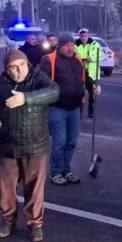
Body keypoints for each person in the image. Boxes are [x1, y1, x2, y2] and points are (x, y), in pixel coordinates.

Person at [0, 49, 60, 242]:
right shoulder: (0, 84)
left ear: (27, 64)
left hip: (35, 145)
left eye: (21, 65)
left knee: (33, 189)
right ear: (6, 69)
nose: (18, 70)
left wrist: (25, 98)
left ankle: (35, 225)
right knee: (6, 188)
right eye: (13, 67)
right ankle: (8, 221)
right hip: (9, 146)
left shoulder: (38, 78)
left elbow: (53, 92)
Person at [39, 34, 97, 186]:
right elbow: (39, 81)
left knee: (71, 142)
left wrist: (93, 87)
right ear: (59, 46)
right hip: (57, 108)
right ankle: (56, 172)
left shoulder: (78, 61)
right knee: (59, 142)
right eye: (66, 45)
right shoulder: (49, 60)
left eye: (72, 44)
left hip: (75, 108)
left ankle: (66, 170)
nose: (70, 47)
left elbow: (86, 79)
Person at [74, 28, 103, 119]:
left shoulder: (95, 44)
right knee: (80, 93)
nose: (83, 37)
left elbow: (101, 56)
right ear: (79, 36)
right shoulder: (75, 45)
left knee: (93, 93)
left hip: (92, 73)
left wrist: (92, 59)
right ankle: (79, 113)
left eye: (85, 35)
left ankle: (91, 112)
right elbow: (73, 56)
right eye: (81, 36)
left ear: (88, 35)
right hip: (79, 72)